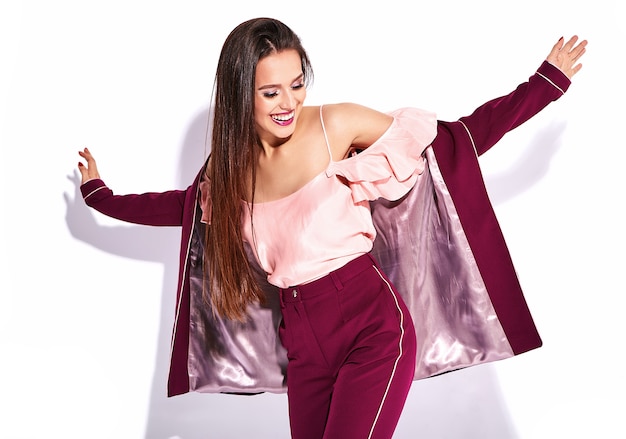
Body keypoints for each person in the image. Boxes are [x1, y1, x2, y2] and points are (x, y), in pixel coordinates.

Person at [77, 17, 586, 439]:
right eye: (270, 91)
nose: (288, 104)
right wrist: (101, 196)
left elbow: (450, 141)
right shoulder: (228, 170)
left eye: (297, 85)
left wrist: (542, 87)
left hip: (372, 326)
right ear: (239, 94)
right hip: (304, 347)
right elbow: (182, 209)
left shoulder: (334, 125)